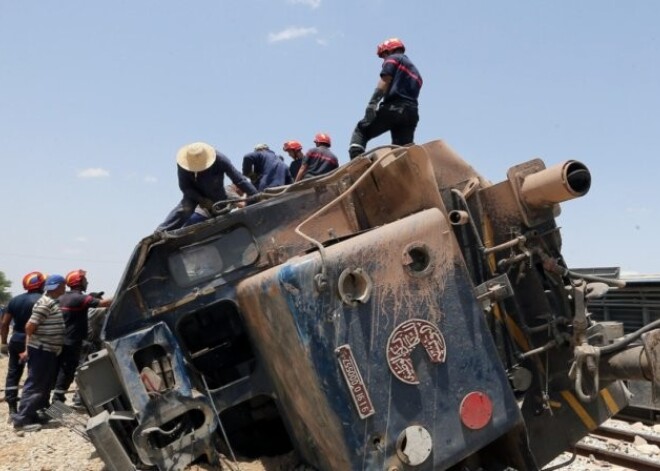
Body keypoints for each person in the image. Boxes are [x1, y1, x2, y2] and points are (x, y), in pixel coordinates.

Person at [348, 38, 423, 160]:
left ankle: (357, 163)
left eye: (384, 55)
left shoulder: (394, 58)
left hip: (393, 108)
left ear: (389, 50)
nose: (384, 59)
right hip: (411, 114)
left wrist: (372, 104)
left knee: (362, 129)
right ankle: (405, 171)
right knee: (401, 152)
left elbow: (385, 80)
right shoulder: (417, 73)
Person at [157, 142, 258, 231]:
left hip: (216, 193)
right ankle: (159, 235)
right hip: (194, 195)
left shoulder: (220, 160)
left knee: (222, 218)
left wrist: (256, 196)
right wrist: (201, 200)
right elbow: (185, 187)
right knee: (184, 209)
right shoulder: (184, 164)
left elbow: (239, 179)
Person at [11, 274, 67, 432]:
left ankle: (32, 414)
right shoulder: (45, 303)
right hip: (42, 349)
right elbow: (30, 326)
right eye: (63, 285)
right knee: (35, 384)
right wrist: (36, 341)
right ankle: (21, 420)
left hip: (48, 350)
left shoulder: (50, 302)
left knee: (43, 384)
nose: (65, 288)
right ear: (56, 287)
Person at [51, 269, 112, 405]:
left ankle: (57, 403)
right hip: (72, 341)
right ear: (78, 282)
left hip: (60, 340)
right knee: (68, 373)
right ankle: (57, 406)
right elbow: (104, 304)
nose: (87, 282)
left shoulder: (62, 298)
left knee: (63, 372)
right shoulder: (78, 297)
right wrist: (122, 292)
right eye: (85, 280)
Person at [0, 271, 46, 416]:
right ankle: (32, 409)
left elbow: (4, 324)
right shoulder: (44, 300)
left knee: (13, 373)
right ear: (41, 285)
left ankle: (12, 408)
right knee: (35, 374)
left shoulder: (15, 301)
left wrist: (3, 342)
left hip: (16, 340)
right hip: (35, 341)